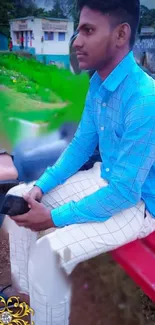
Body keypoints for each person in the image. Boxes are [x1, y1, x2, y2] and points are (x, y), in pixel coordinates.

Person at [3, 0, 155, 323]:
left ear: (120, 35)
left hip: (138, 205)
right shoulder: (98, 85)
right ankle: (26, 305)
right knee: (20, 198)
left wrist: (55, 217)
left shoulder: (145, 98)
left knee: (48, 256)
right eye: (77, 30)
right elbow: (78, 148)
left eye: (88, 30)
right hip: (106, 179)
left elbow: (125, 193)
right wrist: (41, 188)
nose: (76, 41)